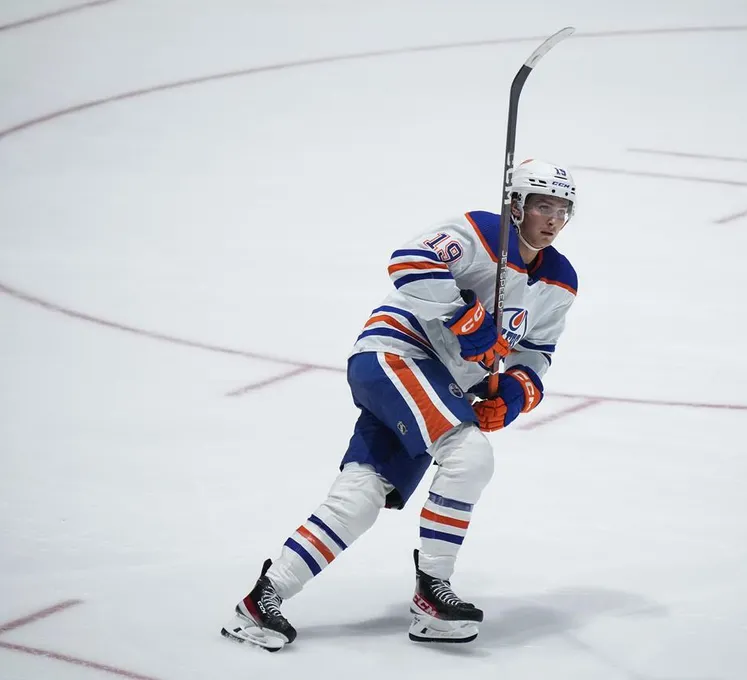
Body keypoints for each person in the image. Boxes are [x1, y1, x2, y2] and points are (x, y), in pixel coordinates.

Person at [221, 159, 579, 651]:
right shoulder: (481, 231)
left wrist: (514, 393)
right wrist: (465, 317)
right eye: (542, 205)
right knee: (468, 452)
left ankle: (263, 600)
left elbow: (536, 353)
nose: (553, 218)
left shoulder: (561, 281)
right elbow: (408, 261)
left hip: (435, 384)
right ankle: (432, 594)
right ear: (515, 205)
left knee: (362, 496)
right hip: (397, 354)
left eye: (562, 209)